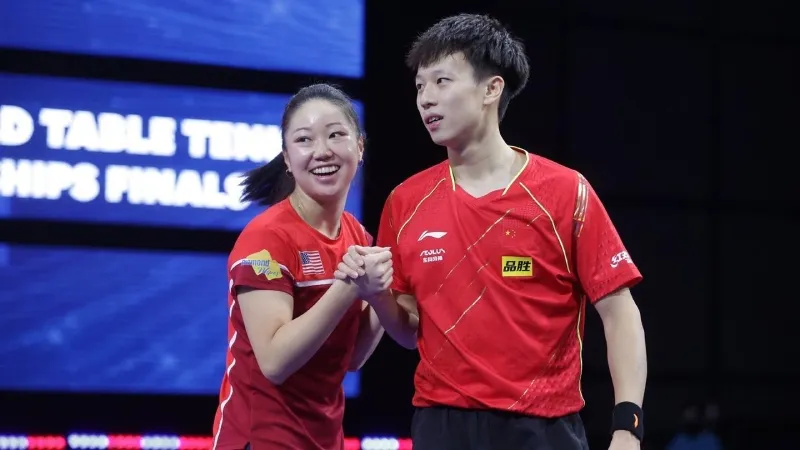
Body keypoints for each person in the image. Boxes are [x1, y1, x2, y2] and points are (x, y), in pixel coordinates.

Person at [334, 14, 647, 450]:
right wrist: (376, 295)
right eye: (420, 86)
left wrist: (627, 426)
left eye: (442, 81)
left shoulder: (564, 192)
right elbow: (407, 331)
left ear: (491, 89)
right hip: (441, 426)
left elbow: (620, 313)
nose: (426, 99)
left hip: (543, 428)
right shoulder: (405, 202)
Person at [211, 84, 391, 450]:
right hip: (259, 439)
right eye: (305, 140)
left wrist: (387, 292)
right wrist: (348, 287)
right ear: (288, 160)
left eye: (336, 135)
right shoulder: (266, 238)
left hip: (323, 438)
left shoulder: (357, 234)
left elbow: (352, 357)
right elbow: (275, 362)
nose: (322, 151)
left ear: (360, 147)